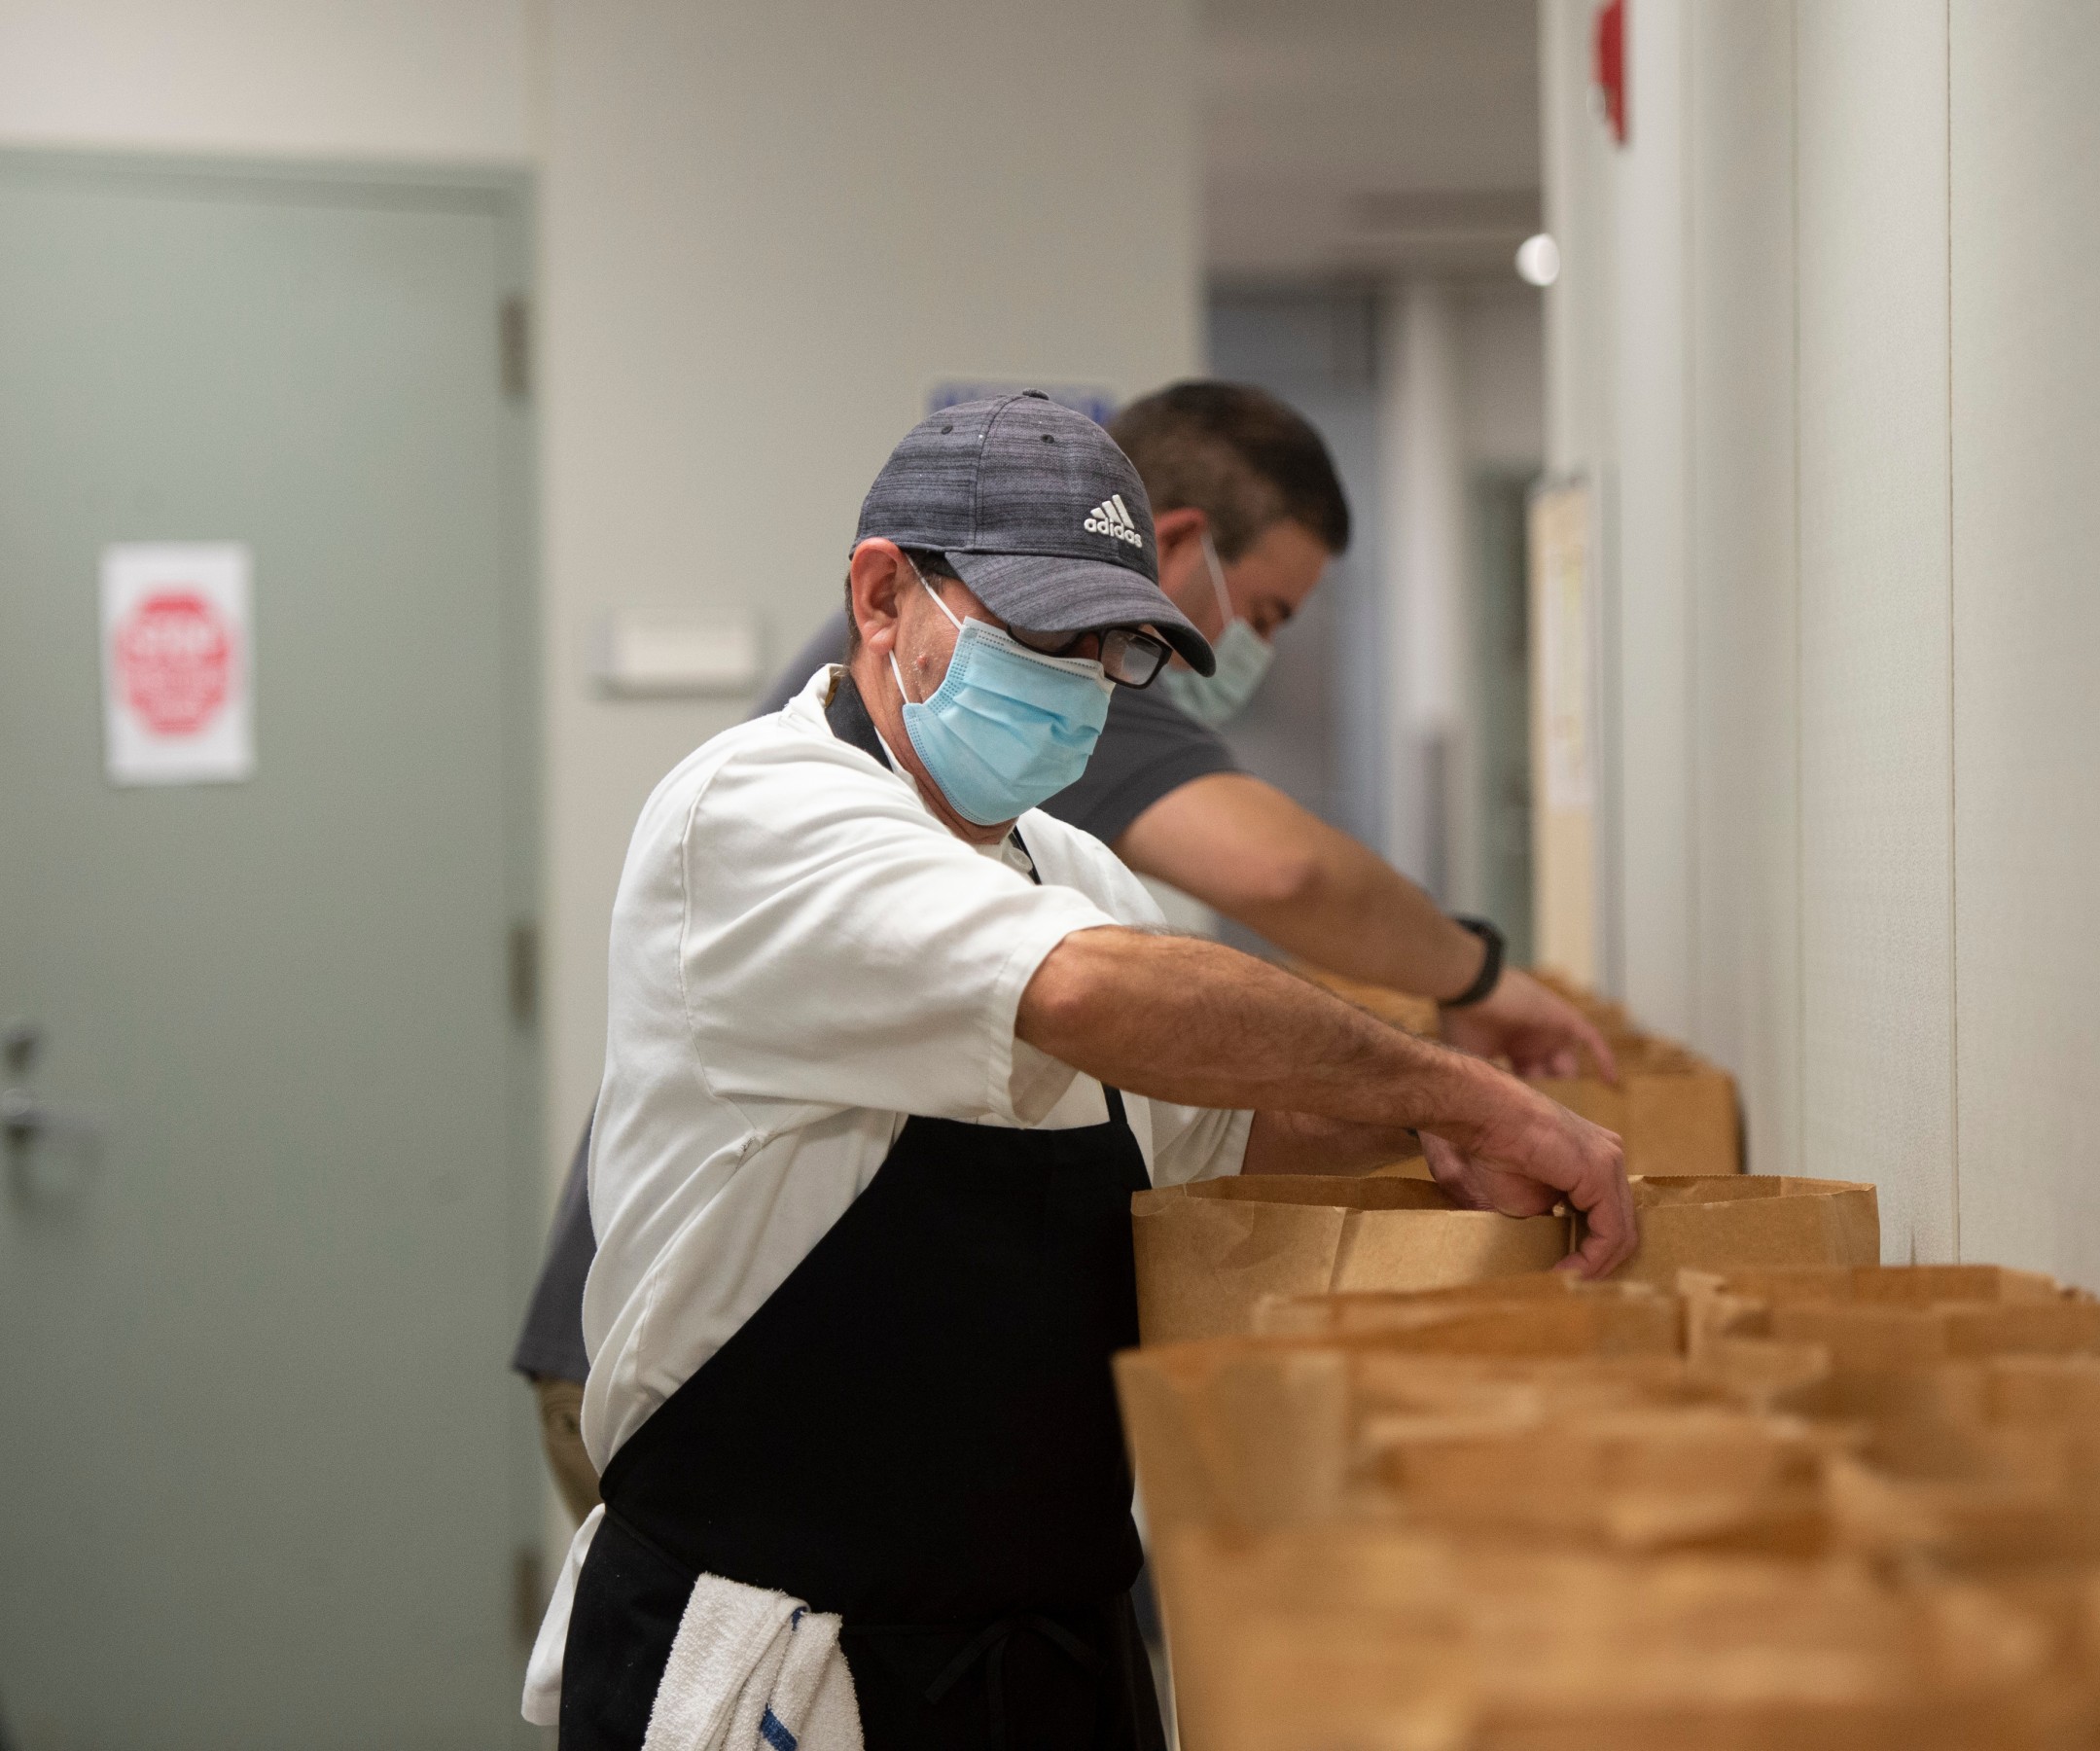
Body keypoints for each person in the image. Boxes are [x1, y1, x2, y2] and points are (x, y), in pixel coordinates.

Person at [524, 393, 1630, 1748]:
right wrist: (1453, 1086)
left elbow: (1226, 1133)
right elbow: (1090, 992)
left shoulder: (1073, 867)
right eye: (1045, 638)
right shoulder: (755, 813)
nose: (1080, 687)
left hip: (1049, 1649)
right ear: (884, 596)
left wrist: (1421, 1136)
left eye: (1115, 652)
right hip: (798, 1659)